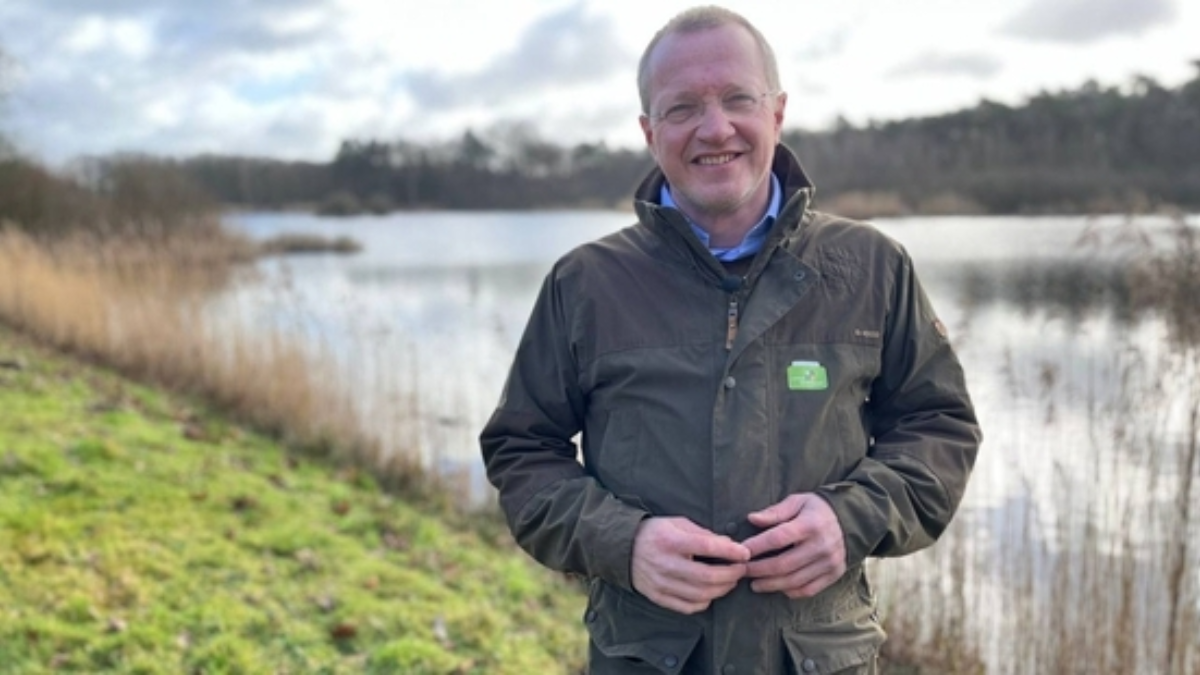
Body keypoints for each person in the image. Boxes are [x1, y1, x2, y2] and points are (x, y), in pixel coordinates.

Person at [480, 5, 981, 674]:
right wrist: (623, 541)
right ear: (649, 131)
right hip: (647, 658)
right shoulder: (586, 283)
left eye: (737, 99)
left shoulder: (872, 267)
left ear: (776, 112)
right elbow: (521, 450)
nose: (715, 128)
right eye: (682, 107)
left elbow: (938, 425)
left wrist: (851, 517)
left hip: (819, 657)